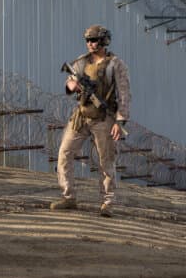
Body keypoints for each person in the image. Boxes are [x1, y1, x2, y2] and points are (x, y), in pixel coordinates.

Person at [51, 24, 130, 217]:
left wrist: (120, 122)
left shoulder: (115, 64)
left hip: (103, 118)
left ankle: (107, 203)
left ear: (103, 41)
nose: (90, 44)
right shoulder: (81, 62)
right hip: (81, 116)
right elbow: (69, 83)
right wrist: (72, 85)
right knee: (64, 154)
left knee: (106, 161)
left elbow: (125, 94)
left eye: (93, 40)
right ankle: (68, 197)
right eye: (87, 40)